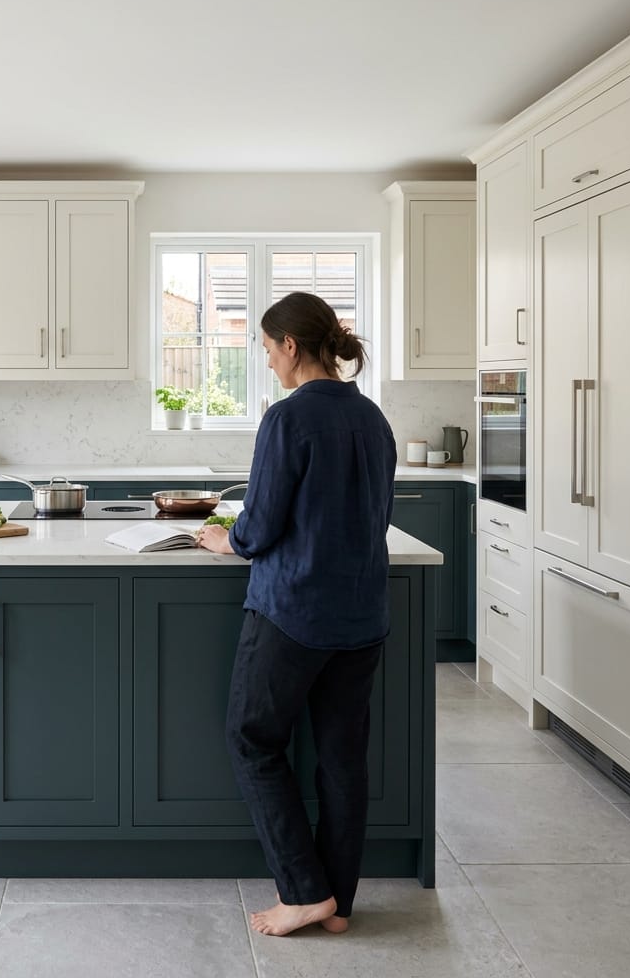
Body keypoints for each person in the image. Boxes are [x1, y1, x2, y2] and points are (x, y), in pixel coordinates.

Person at [197, 291, 397, 937]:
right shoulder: (371, 417)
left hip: (294, 612)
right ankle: (336, 902)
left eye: (266, 348)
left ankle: (304, 892)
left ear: (289, 345)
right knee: (342, 758)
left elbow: (259, 525)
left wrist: (229, 538)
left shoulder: (289, 417)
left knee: (252, 741)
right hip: (361, 614)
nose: (267, 362)